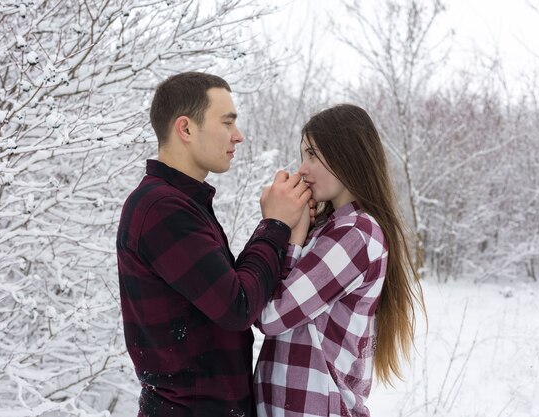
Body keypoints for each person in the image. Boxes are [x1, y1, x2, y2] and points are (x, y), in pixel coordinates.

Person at [116, 72, 311, 417]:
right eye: (227, 122)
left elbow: (229, 291)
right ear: (186, 129)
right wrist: (275, 224)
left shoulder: (181, 204)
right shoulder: (162, 208)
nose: (239, 136)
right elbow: (237, 305)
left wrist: (276, 225)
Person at [254, 104, 425, 417]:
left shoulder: (355, 234)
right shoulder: (333, 228)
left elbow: (271, 314)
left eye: (313, 155)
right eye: (303, 154)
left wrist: (284, 233)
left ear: (347, 156)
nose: (302, 168)